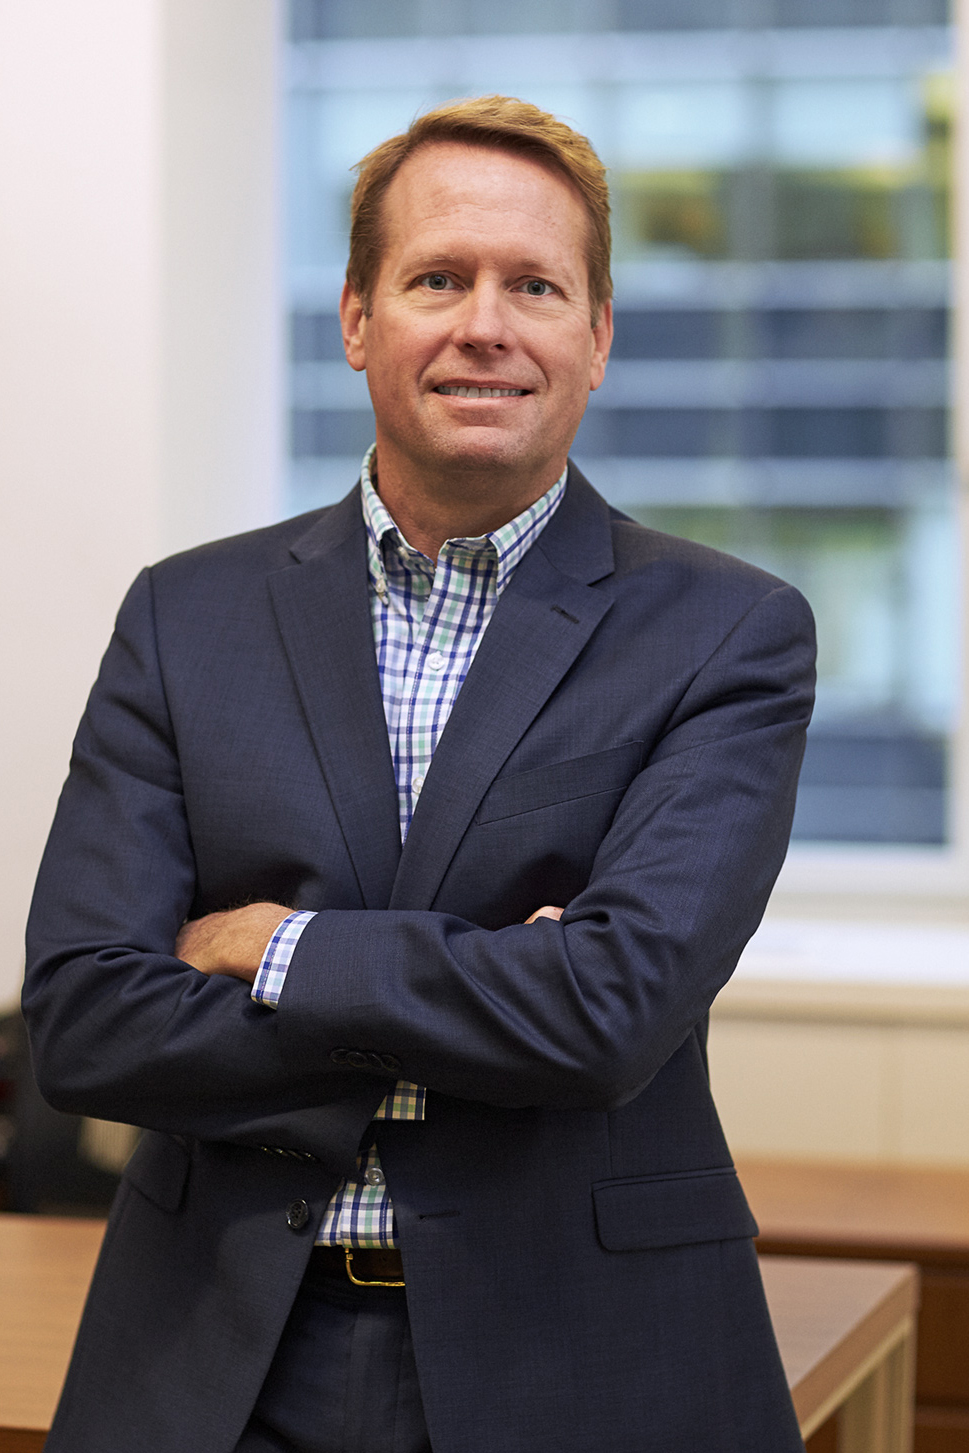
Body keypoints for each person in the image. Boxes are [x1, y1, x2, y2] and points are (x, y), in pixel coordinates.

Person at [23, 95, 815, 1453]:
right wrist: (496, 989)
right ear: (356, 318)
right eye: (438, 277)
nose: (484, 325)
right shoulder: (185, 615)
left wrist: (275, 950)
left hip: (579, 1358)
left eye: (535, 286)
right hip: (215, 1360)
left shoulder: (726, 633)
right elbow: (87, 1019)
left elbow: (608, 1013)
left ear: (597, 336)